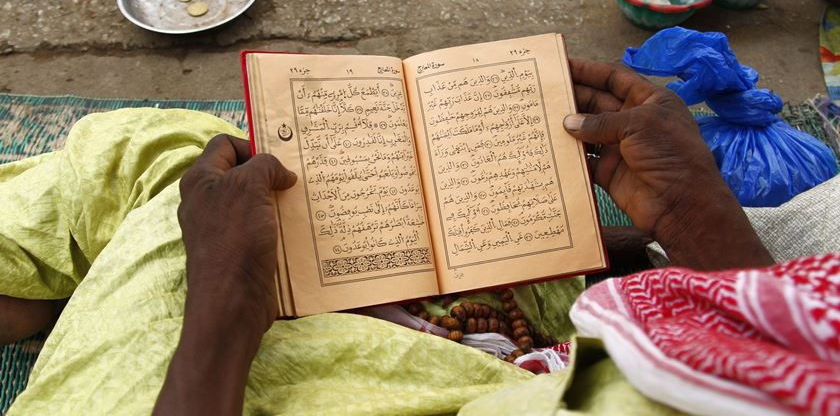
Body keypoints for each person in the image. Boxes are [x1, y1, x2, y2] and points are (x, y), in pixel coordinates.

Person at [0, 59, 796, 414]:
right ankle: (33, 276)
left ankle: (39, 274)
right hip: (518, 352)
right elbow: (793, 370)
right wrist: (701, 228)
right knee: (194, 158)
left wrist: (224, 299)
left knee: (181, 167)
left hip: (197, 375)